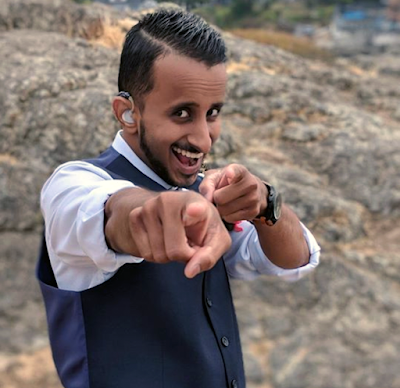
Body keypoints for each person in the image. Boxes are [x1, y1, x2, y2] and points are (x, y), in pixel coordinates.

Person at [37, 9, 320, 388]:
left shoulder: (207, 191)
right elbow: (116, 213)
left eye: (213, 113)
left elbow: (295, 261)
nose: (204, 139)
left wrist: (265, 203)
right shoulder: (72, 186)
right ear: (127, 113)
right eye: (182, 113)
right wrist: (166, 209)